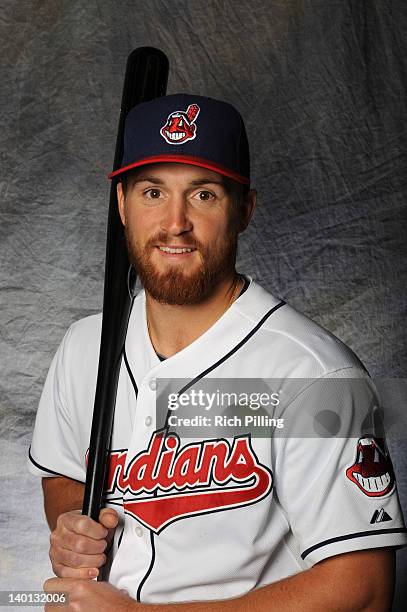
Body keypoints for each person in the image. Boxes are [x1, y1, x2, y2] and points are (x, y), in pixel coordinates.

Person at [28, 94, 407, 611]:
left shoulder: (315, 375)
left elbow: (365, 589)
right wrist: (72, 522)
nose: (175, 222)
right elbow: (66, 474)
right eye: (153, 192)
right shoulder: (82, 348)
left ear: (244, 209)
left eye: (203, 195)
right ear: (121, 204)